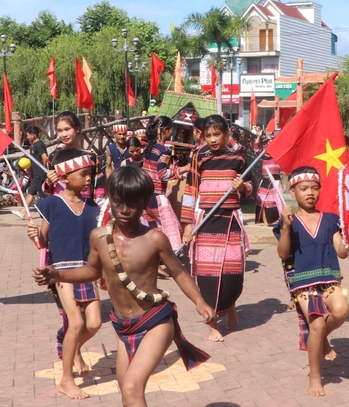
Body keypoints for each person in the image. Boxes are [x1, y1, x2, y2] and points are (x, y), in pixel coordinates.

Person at [32, 167, 214, 406]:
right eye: (118, 203)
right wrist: (57, 274)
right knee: (126, 394)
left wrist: (200, 302)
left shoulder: (154, 238)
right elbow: (91, 272)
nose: (125, 210)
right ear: (110, 199)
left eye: (133, 204)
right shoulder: (99, 237)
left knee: (131, 387)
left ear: (144, 203)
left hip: (155, 322)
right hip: (123, 326)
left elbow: (179, 272)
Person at [27, 148, 102, 398]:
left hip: (87, 271)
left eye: (90, 173)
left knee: (95, 323)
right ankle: (66, 379)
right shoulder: (51, 205)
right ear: (66, 177)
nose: (89, 178)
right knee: (77, 322)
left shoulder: (93, 207)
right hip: (61, 272)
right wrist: (34, 235)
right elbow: (43, 240)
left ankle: (72, 348)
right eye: (84, 174)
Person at [274, 166, 349, 397]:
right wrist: (286, 228)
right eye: (304, 188)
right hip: (303, 282)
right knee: (316, 324)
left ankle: (321, 338)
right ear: (292, 191)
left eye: (315, 188)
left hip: (328, 278)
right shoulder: (288, 222)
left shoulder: (330, 219)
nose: (310, 193)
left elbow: (341, 250)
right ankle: (315, 375)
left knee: (342, 310)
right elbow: (283, 253)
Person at [181, 114, 251, 341]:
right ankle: (212, 325)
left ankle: (230, 307)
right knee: (208, 275)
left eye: (216, 134)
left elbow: (252, 186)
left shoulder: (239, 157)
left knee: (231, 272)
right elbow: (191, 190)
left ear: (226, 134)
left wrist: (242, 187)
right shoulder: (199, 156)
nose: (211, 139)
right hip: (206, 222)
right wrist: (187, 225)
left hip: (230, 221)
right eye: (207, 135)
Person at [142, 116, 183, 251]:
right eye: (171, 130)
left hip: (145, 195)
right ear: (165, 130)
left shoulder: (149, 149)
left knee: (151, 228)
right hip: (158, 196)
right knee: (170, 229)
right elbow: (162, 175)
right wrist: (181, 170)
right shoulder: (162, 150)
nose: (172, 133)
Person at [254, 129, 282, 226]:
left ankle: (281, 220)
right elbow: (256, 149)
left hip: (275, 181)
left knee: (278, 202)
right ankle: (266, 223)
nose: (269, 143)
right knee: (263, 202)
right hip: (265, 180)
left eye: (272, 141)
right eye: (268, 142)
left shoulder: (279, 153)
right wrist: (258, 136)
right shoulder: (264, 154)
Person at [21, 125, 49, 217]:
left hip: (40, 175)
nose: (27, 137)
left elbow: (45, 158)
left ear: (33, 135)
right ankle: (23, 212)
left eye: (28, 135)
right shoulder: (33, 146)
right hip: (35, 175)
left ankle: (46, 213)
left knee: (43, 195)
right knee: (31, 192)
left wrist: (43, 170)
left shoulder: (39, 145)